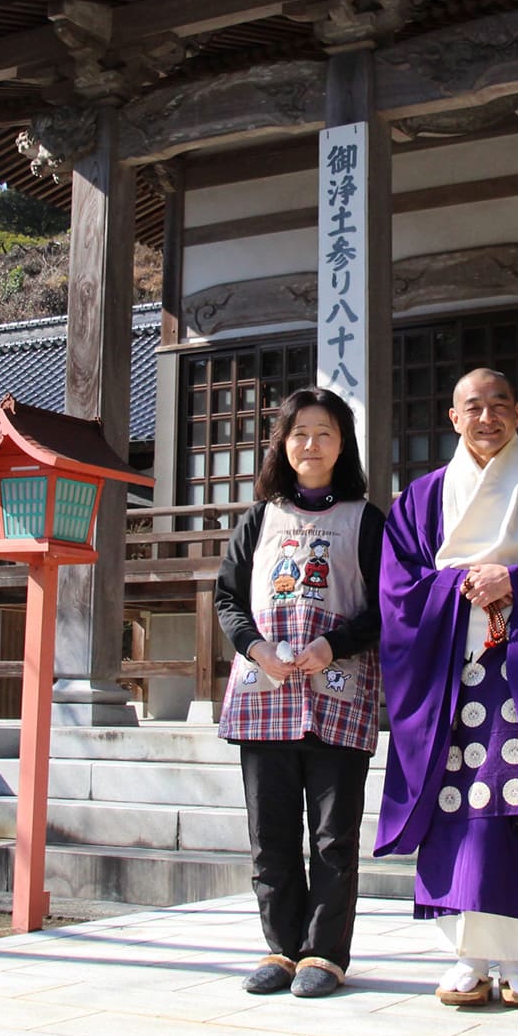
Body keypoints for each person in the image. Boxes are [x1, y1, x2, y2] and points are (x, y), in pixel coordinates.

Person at [375, 367, 518, 1008]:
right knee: (456, 812)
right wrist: (459, 588)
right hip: (452, 678)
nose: (486, 417)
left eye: (499, 404)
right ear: (453, 418)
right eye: (473, 407)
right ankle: (467, 956)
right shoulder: (420, 501)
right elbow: (398, 597)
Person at [215, 386, 384, 998]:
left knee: (334, 837)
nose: (310, 445)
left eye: (325, 433)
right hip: (264, 694)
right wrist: (257, 648)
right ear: (283, 445)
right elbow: (228, 599)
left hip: (338, 691)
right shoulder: (257, 519)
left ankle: (324, 955)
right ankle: (280, 948)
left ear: (344, 445)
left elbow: (385, 609)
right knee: (272, 834)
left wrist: (332, 647)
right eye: (299, 433)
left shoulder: (366, 520)